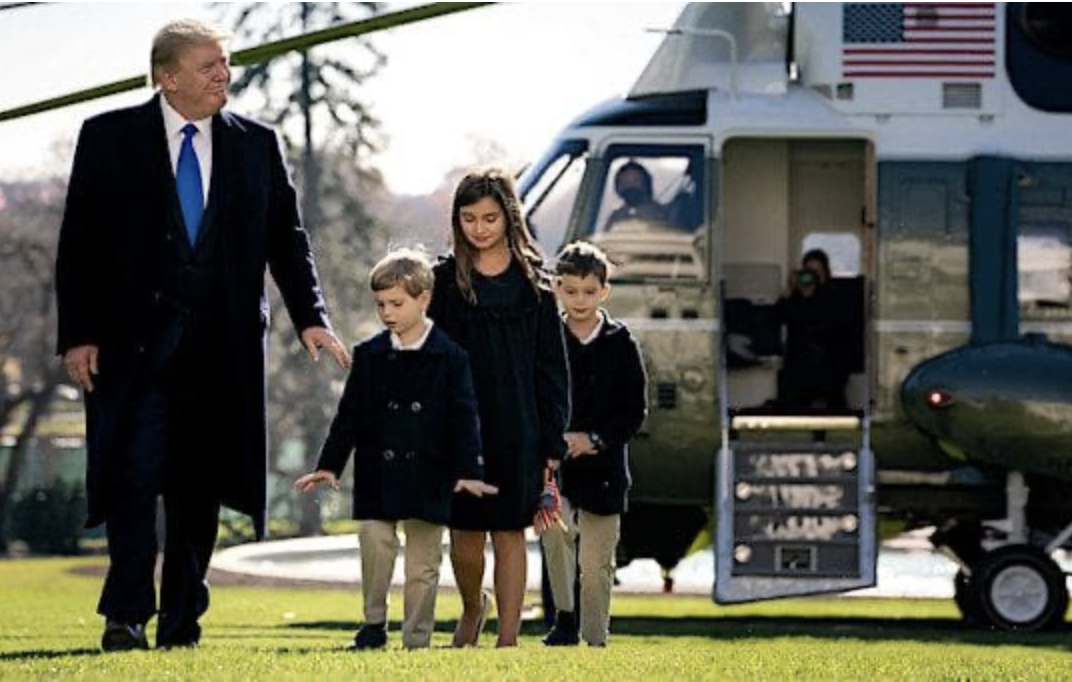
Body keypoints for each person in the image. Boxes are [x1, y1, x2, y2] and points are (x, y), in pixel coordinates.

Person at [55, 19, 350, 651]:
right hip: (130, 349)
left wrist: (311, 317)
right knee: (132, 480)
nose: (225, 76)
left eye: (226, 64)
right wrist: (77, 335)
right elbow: (77, 245)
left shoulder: (256, 145)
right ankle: (125, 615)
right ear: (168, 77)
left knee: (199, 488)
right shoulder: (108, 138)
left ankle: (182, 617)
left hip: (222, 353)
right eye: (209, 66)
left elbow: (287, 241)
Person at [295, 249, 497, 650]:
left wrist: (469, 470)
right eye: (380, 304)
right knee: (374, 539)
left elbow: (465, 418)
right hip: (379, 473)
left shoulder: (450, 357)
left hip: (430, 473)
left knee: (423, 564)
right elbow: (348, 415)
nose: (387, 312)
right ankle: (373, 626)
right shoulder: (368, 355)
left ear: (424, 299)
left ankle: (416, 639)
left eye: (396, 303)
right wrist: (330, 466)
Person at [428, 168, 570, 648]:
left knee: (510, 531)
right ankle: (473, 606)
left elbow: (552, 371)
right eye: (468, 218)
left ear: (509, 217)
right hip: (460, 427)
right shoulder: (443, 282)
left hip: (521, 427)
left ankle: (508, 638)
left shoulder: (537, 286)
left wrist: (552, 442)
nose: (479, 227)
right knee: (465, 537)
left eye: (489, 217)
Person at [540, 242, 648, 647]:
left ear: (604, 291)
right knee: (555, 537)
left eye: (588, 291)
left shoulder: (622, 343)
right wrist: (555, 440)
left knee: (596, 563)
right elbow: (537, 397)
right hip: (556, 466)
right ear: (556, 289)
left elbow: (634, 410)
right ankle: (564, 620)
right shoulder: (547, 339)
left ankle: (595, 638)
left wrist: (595, 439)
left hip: (605, 471)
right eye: (570, 291)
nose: (579, 300)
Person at [775, 248, 850, 409]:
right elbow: (775, 318)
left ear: (826, 273)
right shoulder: (795, 296)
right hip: (797, 371)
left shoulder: (836, 298)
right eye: (810, 271)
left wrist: (809, 298)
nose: (814, 275)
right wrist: (788, 291)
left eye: (818, 271)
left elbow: (830, 331)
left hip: (829, 372)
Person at [603, 161, 668, 230]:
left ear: (646, 184)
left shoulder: (661, 215)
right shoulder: (616, 216)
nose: (630, 186)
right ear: (618, 188)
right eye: (625, 182)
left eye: (636, 180)